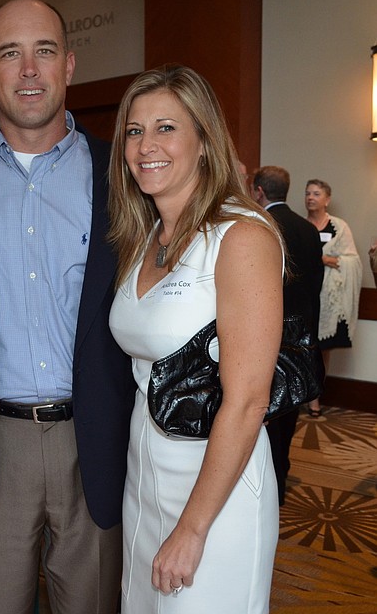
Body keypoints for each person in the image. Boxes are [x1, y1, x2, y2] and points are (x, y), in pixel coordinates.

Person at [0, 0, 134, 614]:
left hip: (98, 435)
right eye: (10, 53)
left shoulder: (125, 174)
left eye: (44, 51)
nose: (29, 70)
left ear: (69, 64)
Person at [108, 65, 282, 613]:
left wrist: (192, 528)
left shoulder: (241, 237)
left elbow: (250, 399)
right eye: (134, 132)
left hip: (216, 492)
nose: (146, 146)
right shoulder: (145, 239)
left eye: (166, 128)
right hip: (145, 479)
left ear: (204, 143)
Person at [252, 165, 324, 505]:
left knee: (263, 418)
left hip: (265, 337)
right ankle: (279, 483)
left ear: (259, 192)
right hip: (300, 338)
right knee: (288, 414)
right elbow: (315, 287)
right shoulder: (308, 230)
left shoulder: (259, 227)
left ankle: (265, 488)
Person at [304, 178, 362, 417]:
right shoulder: (301, 226)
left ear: (327, 199)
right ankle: (300, 394)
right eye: (307, 193)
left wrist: (325, 260)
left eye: (316, 193)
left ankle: (315, 398)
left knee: (322, 350)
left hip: (329, 299)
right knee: (304, 348)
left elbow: (352, 261)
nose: (310, 197)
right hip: (305, 296)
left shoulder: (338, 227)